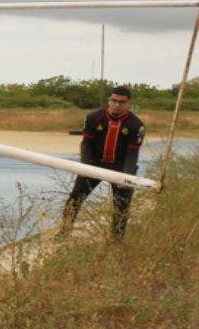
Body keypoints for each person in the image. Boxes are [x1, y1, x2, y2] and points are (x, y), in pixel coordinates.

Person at [62, 86, 145, 240]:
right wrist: (85, 166)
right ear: (109, 100)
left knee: (122, 206)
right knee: (74, 199)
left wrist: (126, 177)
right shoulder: (94, 117)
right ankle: (64, 232)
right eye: (114, 101)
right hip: (94, 164)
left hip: (120, 166)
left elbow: (132, 153)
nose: (117, 105)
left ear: (128, 103)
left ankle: (116, 239)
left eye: (122, 102)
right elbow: (86, 143)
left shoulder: (136, 125)